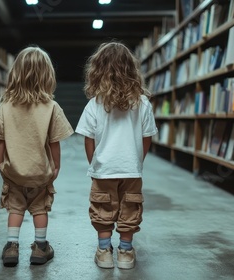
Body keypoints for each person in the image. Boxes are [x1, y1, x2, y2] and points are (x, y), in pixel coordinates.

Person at [0, 46, 74, 267]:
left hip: (14, 171)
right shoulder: (52, 107)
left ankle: (11, 247)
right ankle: (40, 247)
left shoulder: (5, 107)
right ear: (47, 75)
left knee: (15, 208)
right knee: (40, 209)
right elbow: (54, 143)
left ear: (15, 73)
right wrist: (55, 168)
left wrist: (1, 166)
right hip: (40, 173)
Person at [75, 42, 157, 269]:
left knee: (102, 209)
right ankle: (125, 252)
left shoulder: (94, 104)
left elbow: (88, 139)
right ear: (132, 70)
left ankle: (104, 251)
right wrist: (137, 160)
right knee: (130, 208)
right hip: (131, 168)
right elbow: (147, 137)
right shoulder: (142, 103)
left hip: (103, 170)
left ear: (98, 70)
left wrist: (94, 163)